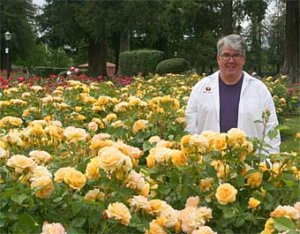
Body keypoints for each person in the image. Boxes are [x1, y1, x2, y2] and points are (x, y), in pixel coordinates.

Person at [185, 34, 280, 154]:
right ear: (218, 59)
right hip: (209, 165)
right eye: (226, 55)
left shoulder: (259, 89)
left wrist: (268, 163)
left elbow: (271, 129)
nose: (231, 60)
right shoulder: (200, 88)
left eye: (236, 55)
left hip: (250, 164)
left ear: (243, 59)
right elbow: (190, 127)